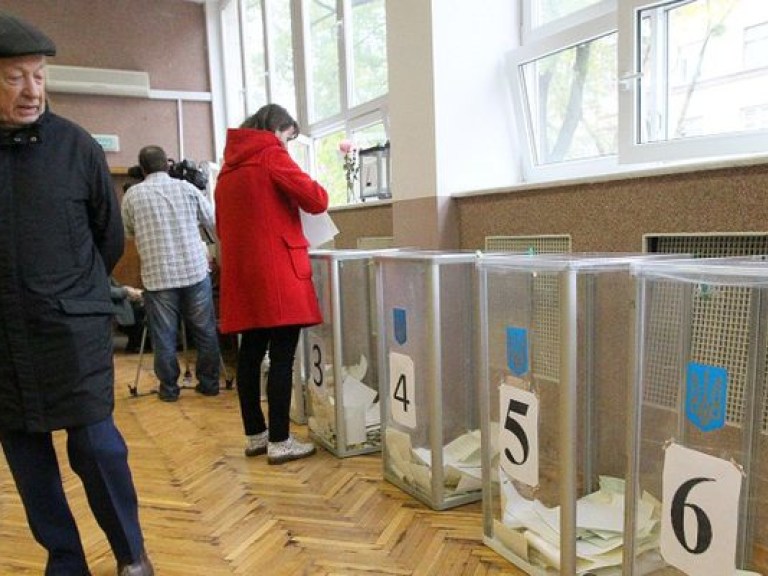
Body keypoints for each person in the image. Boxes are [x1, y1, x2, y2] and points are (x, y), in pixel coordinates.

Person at [0, 12, 154, 576]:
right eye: (16, 77)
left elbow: (107, 237)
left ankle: (130, 555)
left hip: (69, 327)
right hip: (3, 340)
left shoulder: (76, 147)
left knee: (98, 448)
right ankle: (64, 560)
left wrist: (73, 291)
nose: (32, 90)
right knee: (27, 457)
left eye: (39, 76)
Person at [215, 103, 329, 465]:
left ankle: (256, 435)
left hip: (245, 275)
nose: (288, 145)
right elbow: (316, 199)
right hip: (279, 272)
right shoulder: (270, 155)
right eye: (289, 137)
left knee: (250, 355)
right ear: (277, 129)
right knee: (282, 358)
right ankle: (281, 440)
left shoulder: (228, 169)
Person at [121, 145, 221, 401]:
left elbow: (130, 233)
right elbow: (211, 221)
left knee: (163, 335)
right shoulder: (188, 189)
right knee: (205, 329)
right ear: (167, 164)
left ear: (142, 168)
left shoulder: (132, 196)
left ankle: (169, 390)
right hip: (194, 270)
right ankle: (209, 383)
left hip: (158, 275)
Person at [110, 277, 149, 353]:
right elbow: (108, 291)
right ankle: (136, 343)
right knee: (138, 312)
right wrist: (126, 291)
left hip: (119, 302)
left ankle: (140, 342)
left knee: (141, 307)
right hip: (113, 305)